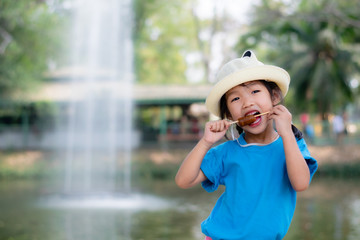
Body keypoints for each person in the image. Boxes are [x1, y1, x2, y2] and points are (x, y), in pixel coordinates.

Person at [175, 50, 318, 240]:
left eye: (255, 91)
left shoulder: (291, 145)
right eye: (235, 99)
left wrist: (287, 134)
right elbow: (183, 181)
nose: (247, 103)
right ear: (229, 116)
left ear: (274, 97)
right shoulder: (226, 153)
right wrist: (206, 142)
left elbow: (300, 184)